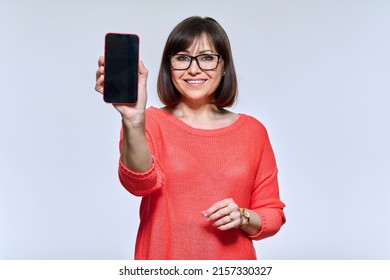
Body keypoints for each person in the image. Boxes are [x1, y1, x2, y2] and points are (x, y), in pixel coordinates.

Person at [95, 16, 286, 260]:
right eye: (182, 58)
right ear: (169, 66)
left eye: (207, 57)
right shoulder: (148, 122)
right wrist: (133, 121)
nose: (193, 68)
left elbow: (272, 215)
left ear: (224, 65)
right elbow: (139, 185)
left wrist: (243, 216)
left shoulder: (253, 131)